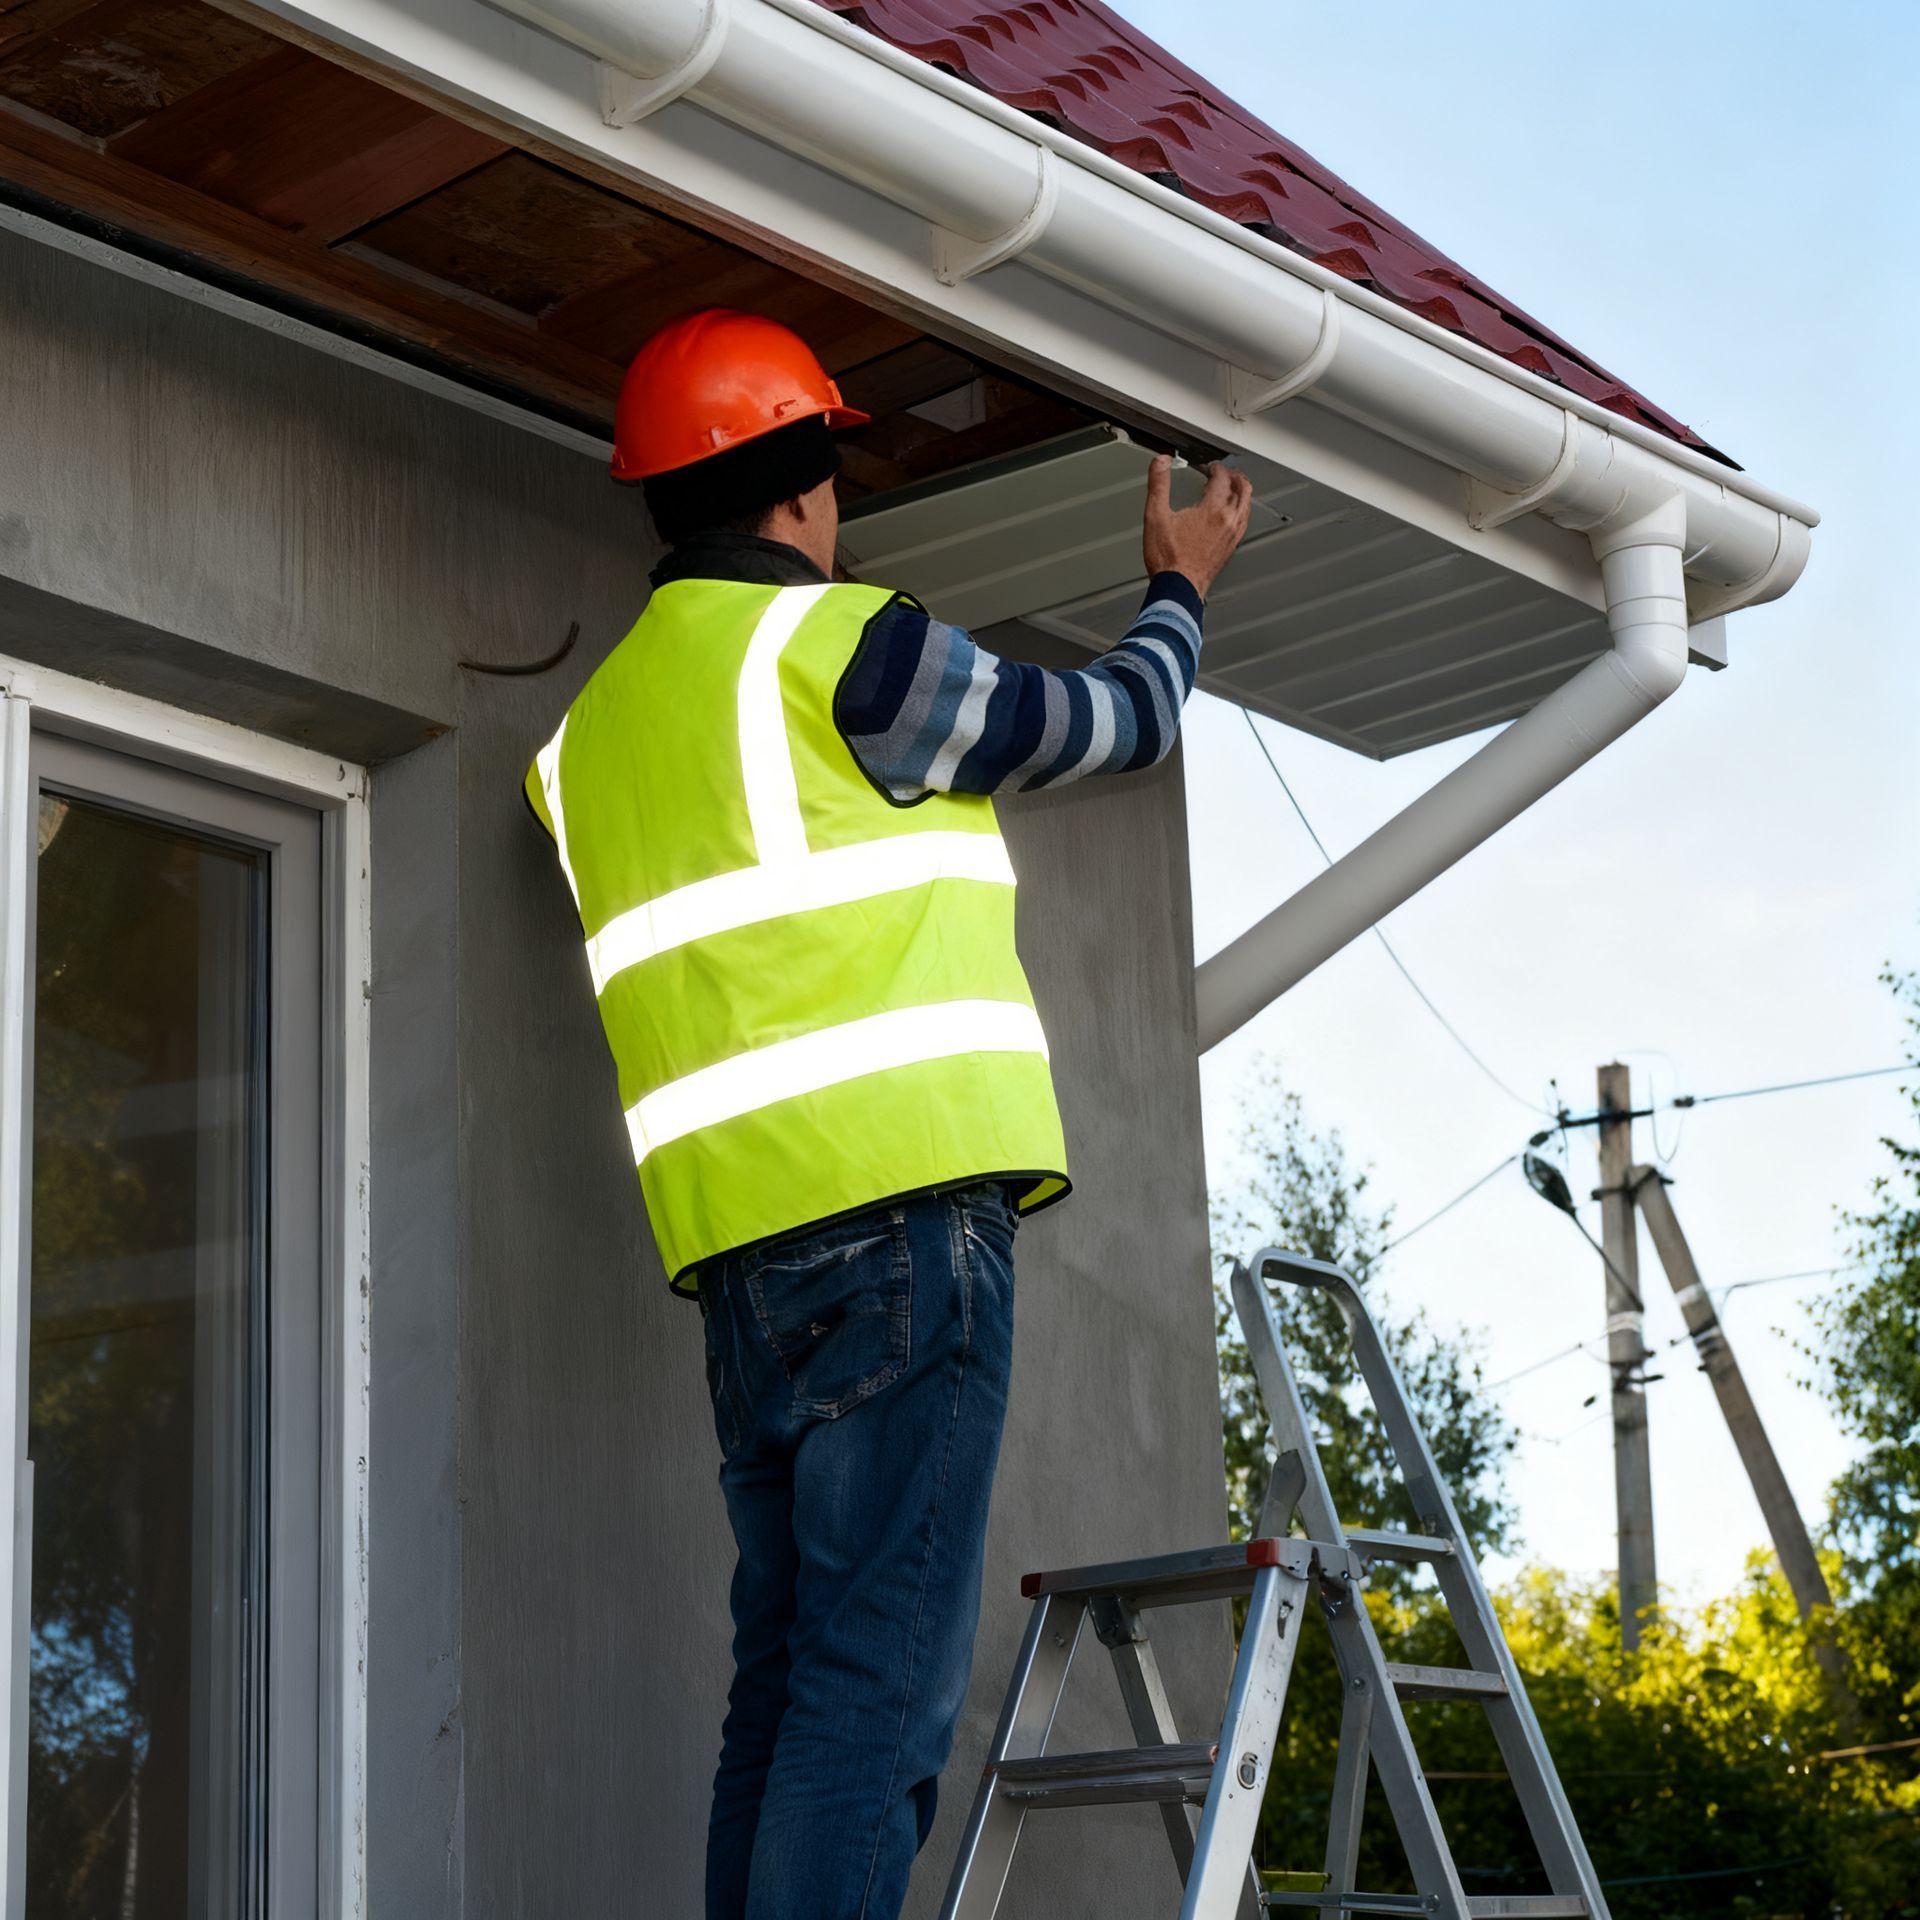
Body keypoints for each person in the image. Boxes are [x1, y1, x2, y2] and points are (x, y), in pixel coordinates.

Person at [524, 308, 1252, 1920]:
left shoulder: (578, 751)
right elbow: (1113, 724)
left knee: (782, 1693)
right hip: (904, 1239)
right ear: (804, 490)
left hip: (739, 1270)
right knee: (872, 1701)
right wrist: (1180, 585)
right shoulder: (844, 648)